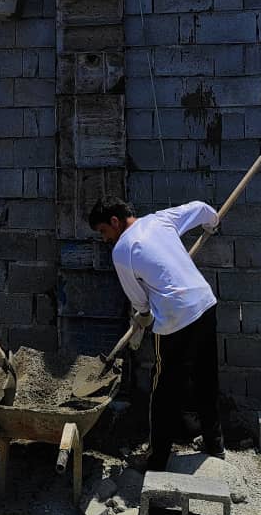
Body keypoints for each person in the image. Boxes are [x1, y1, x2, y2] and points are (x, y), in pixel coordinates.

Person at [89, 197, 224, 471]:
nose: (104, 239)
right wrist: (213, 223)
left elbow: (139, 301)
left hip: (175, 319)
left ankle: (157, 459)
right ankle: (215, 443)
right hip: (204, 302)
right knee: (205, 376)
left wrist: (142, 318)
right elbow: (200, 208)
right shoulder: (161, 218)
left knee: (164, 389)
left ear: (115, 222)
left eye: (103, 231)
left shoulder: (122, 250)